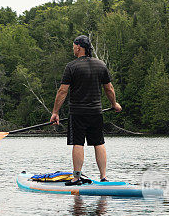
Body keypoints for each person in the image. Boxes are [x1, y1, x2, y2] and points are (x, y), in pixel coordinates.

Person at [50, 35, 121, 186]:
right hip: (96, 112)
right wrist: (114, 104)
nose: (73, 49)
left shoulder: (71, 66)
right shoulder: (100, 65)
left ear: (78, 47)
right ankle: (103, 177)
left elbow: (62, 91)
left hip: (77, 113)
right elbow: (109, 88)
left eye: (73, 46)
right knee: (99, 143)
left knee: (78, 143)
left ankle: (76, 178)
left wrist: (55, 113)